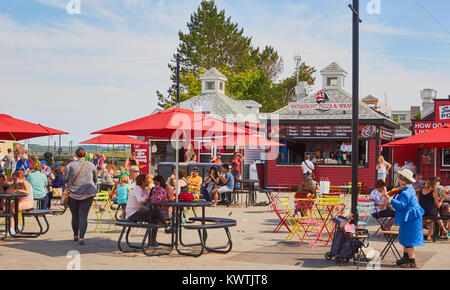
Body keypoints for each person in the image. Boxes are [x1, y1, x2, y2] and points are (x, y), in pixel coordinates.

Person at [382, 169, 424, 268]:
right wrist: (392, 201)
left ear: (403, 179)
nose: (399, 180)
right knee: (405, 237)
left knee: (409, 239)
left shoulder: (406, 192)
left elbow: (402, 205)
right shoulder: (408, 189)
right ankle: (406, 258)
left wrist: (391, 200)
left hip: (411, 218)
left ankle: (412, 261)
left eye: (400, 178)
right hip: (410, 217)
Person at [64, 147, 98, 245]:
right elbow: (95, 179)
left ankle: (75, 235)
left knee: (75, 215)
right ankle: (81, 237)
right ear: (86, 154)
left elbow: (65, 178)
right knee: (83, 216)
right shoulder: (91, 165)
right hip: (88, 193)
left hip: (73, 193)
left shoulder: (70, 165)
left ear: (76, 155)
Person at [6, 171, 34, 235]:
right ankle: (14, 226)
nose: (13, 180)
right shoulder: (16, 183)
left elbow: (27, 192)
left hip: (28, 202)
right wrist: (13, 186)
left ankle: (12, 228)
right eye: (13, 179)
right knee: (9, 208)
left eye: (15, 179)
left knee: (12, 210)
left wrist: (17, 190)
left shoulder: (25, 183)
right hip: (19, 201)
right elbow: (8, 191)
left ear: (20, 178)